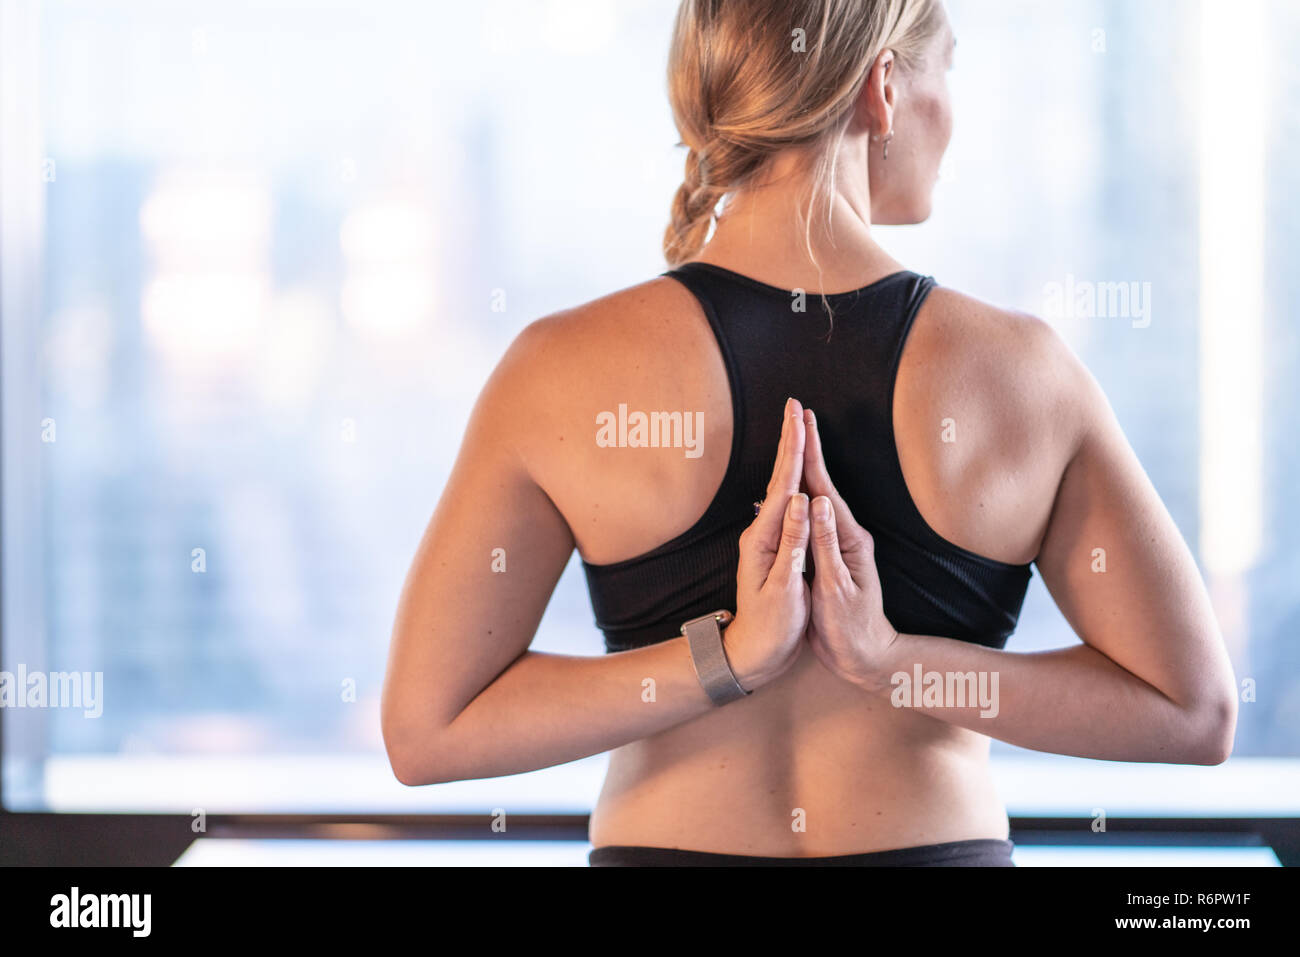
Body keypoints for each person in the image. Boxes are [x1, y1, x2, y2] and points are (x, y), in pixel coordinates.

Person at [381, 0, 1237, 866]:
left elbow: (428, 728)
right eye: (948, 68)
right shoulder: (1021, 369)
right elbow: (1193, 709)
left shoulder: (558, 368)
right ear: (886, 88)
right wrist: (896, 662)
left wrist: (725, 662)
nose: (955, 110)